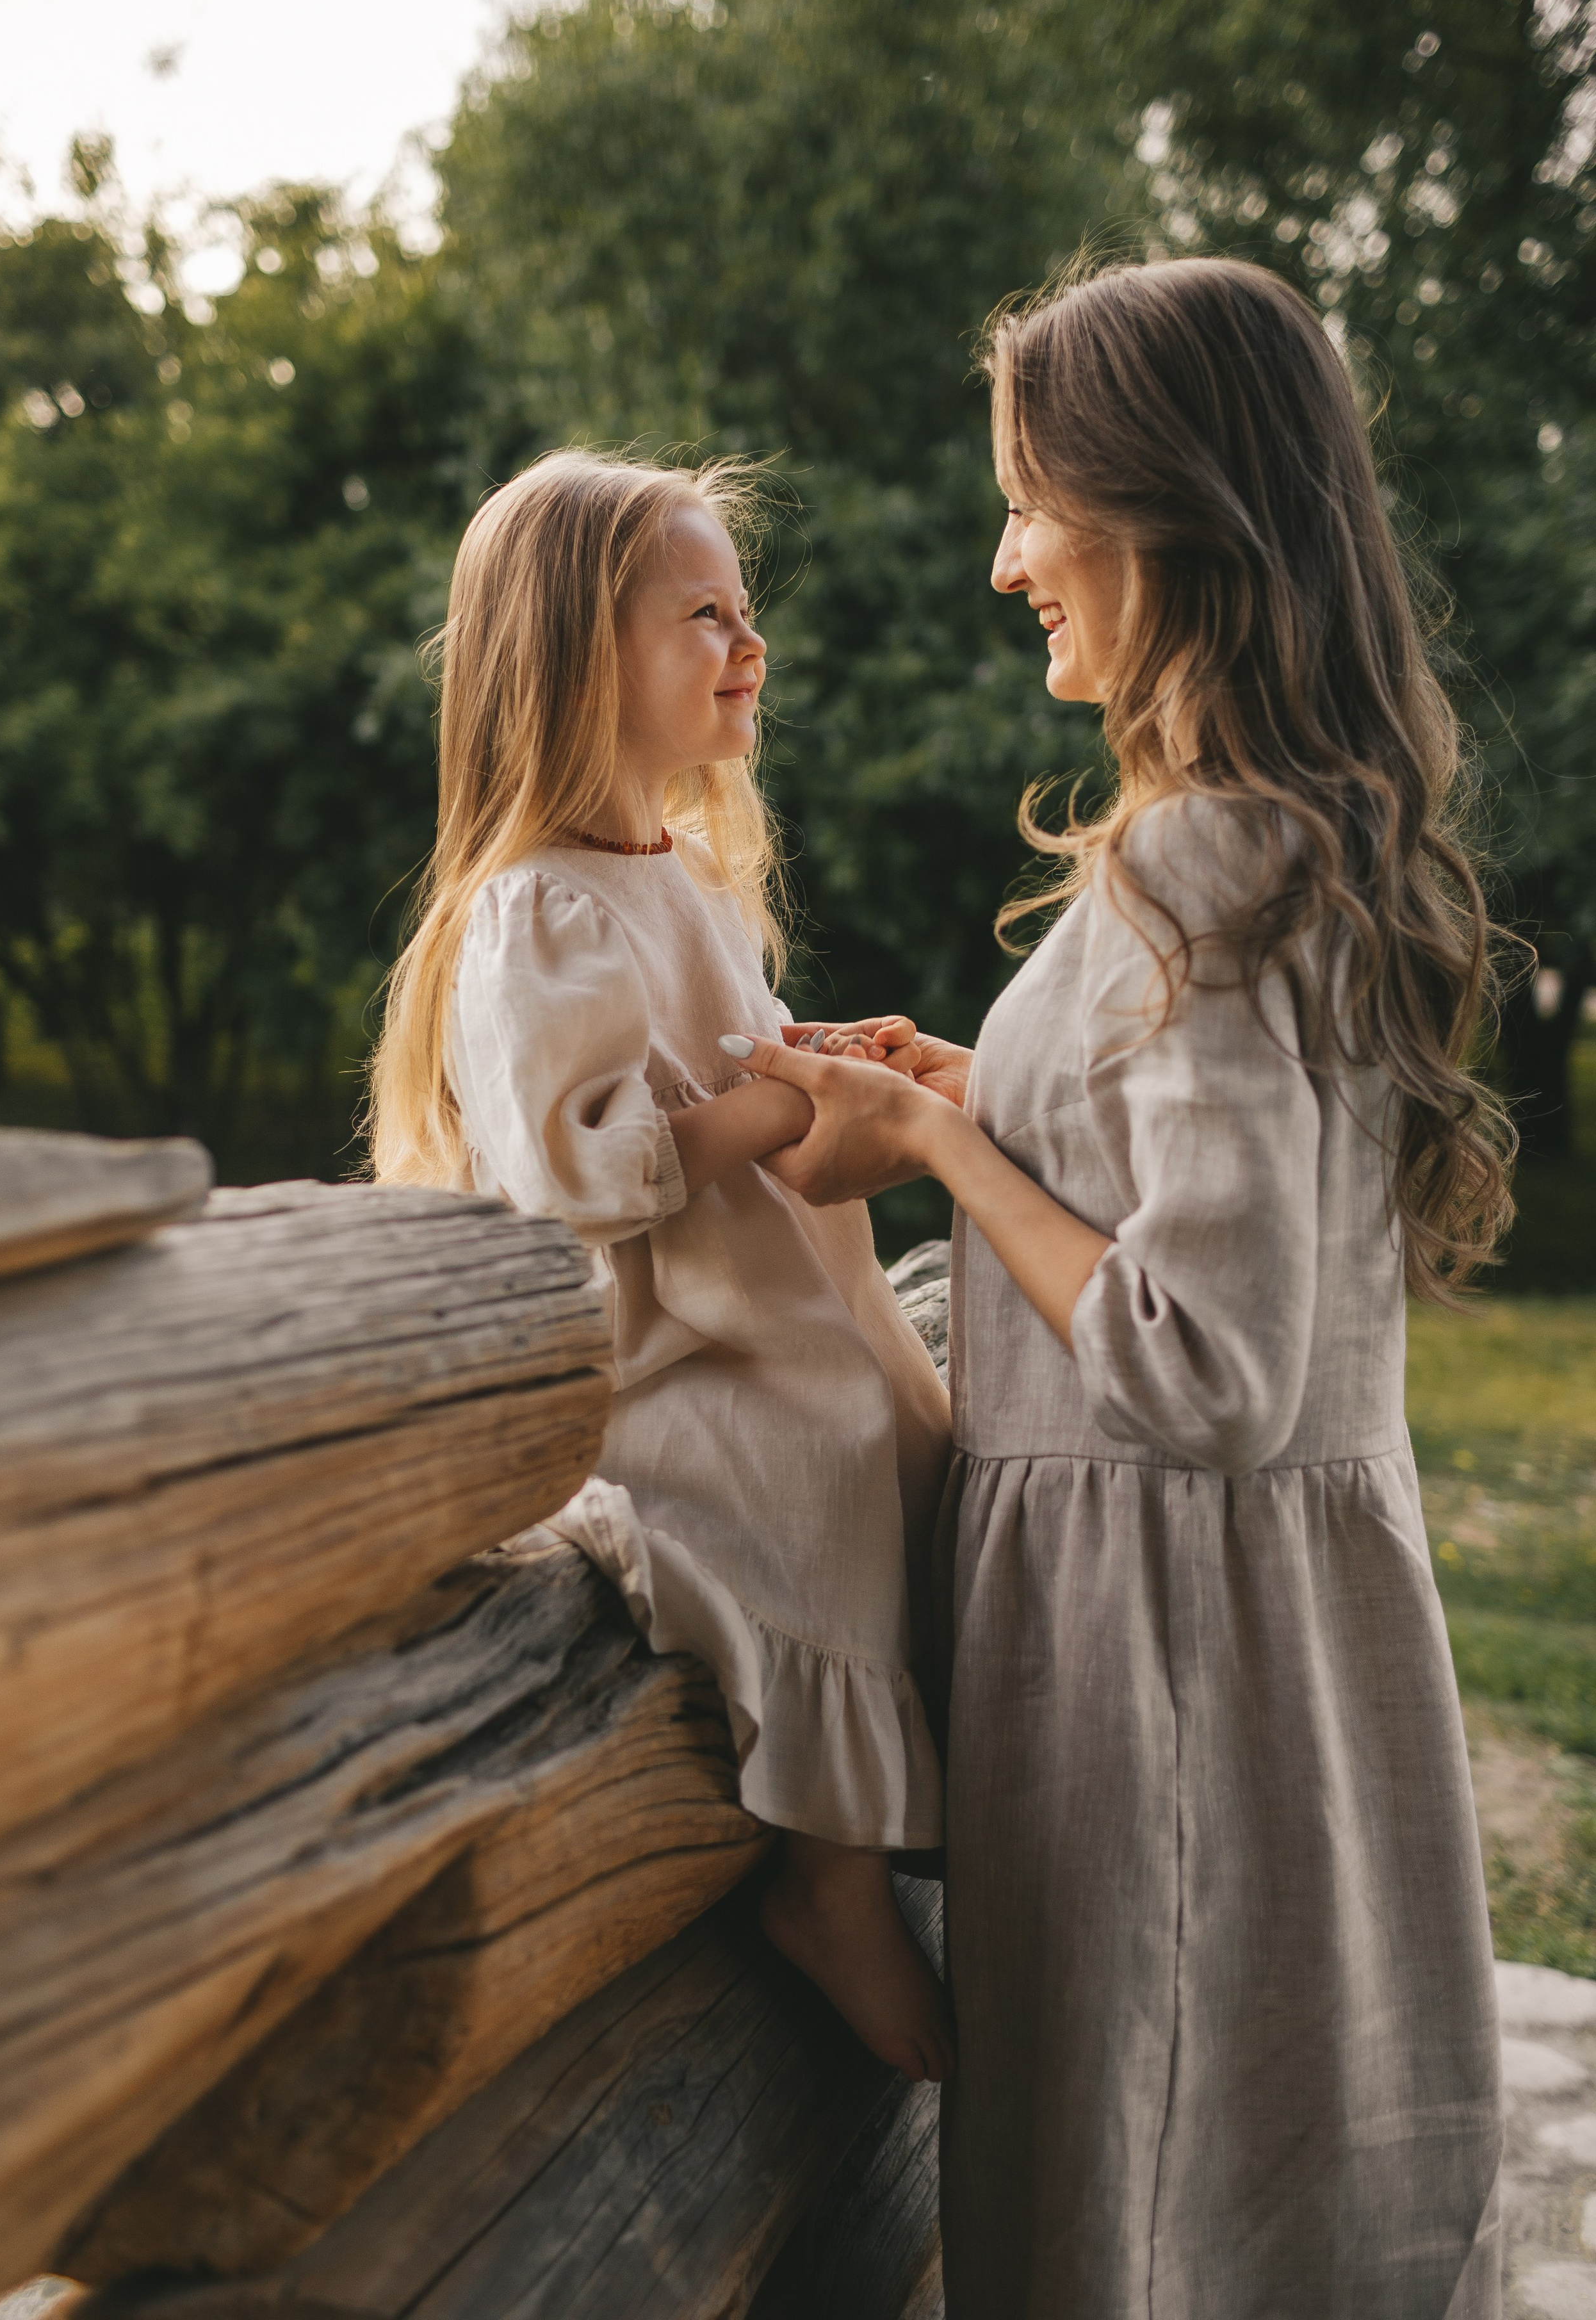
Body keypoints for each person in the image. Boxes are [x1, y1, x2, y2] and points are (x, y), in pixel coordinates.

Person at [724, 258, 1509, 2317]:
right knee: (1249, 2195)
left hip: (1167, 1667)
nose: (1006, 564)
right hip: (1242, 1641)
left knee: (1141, 2215)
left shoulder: (1205, 862)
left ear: (1169, 510)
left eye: (1030, 505)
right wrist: (981, 1092)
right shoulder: (1276, 840)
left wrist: (940, 1157)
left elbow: (1207, 1365)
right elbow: (1195, 1193)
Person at [366, 448, 954, 2083]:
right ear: (576, 659)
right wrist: (779, 1097)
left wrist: (818, 1059)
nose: (748, 645)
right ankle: (829, 1884)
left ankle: (923, 1801)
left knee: (916, 1435)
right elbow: (573, 1168)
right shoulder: (533, 913)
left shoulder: (684, 883)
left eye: (744, 612)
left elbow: (726, 1063)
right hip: (671, 1367)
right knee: (823, 1471)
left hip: (778, 1314)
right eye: (703, 616)